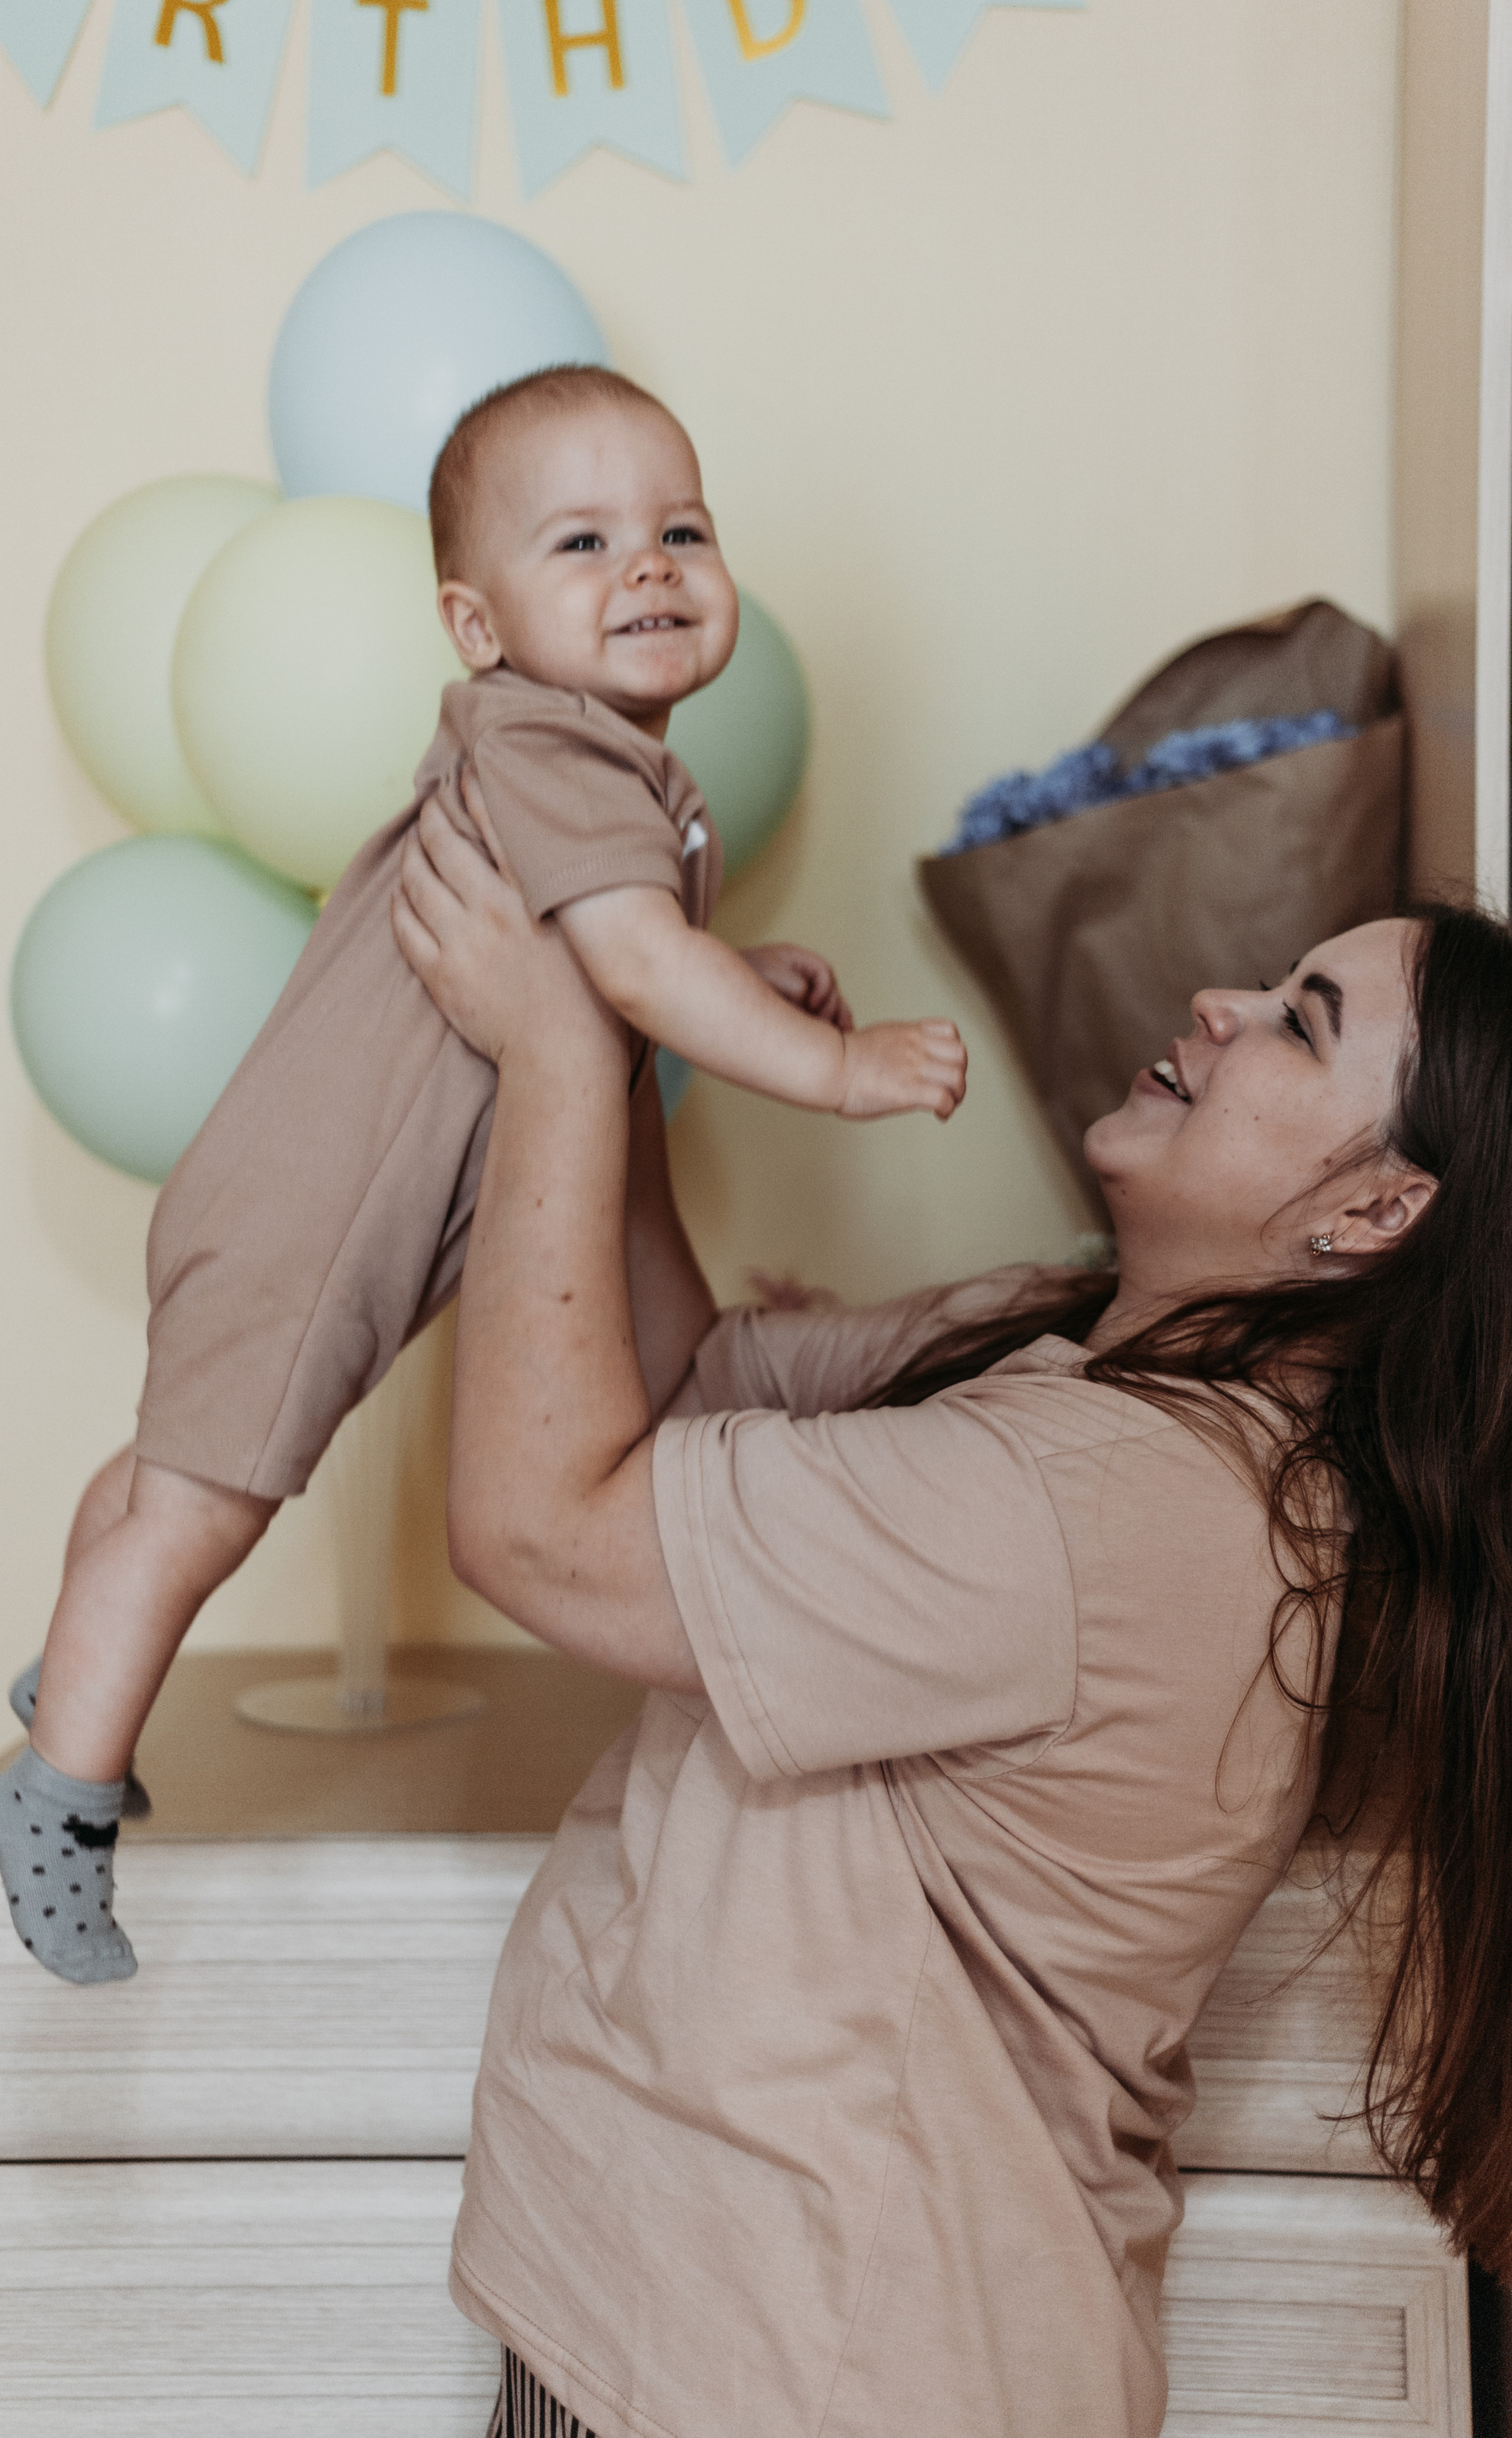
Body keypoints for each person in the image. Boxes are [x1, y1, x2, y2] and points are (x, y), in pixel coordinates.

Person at [388, 801, 1512, 2438]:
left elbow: (549, 1530)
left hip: (795, 2381)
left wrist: (545, 1057)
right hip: (718, 2345)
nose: (1218, 1008)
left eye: (1297, 1025)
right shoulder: (1083, 1361)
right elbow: (678, 1406)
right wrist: (627, 1026)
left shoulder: (1123, 1508)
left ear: (1377, 1214)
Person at [0, 367, 966, 1985]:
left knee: (166, 1479)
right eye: (581, 541)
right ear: (475, 622)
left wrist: (746, 971)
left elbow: (622, 956)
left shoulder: (575, 754)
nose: (647, 567)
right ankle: (59, 1803)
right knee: (200, 1501)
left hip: (286, 1185)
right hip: (318, 1221)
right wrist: (839, 1072)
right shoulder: (560, 749)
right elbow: (639, 972)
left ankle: (75, 1673)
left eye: (680, 528)